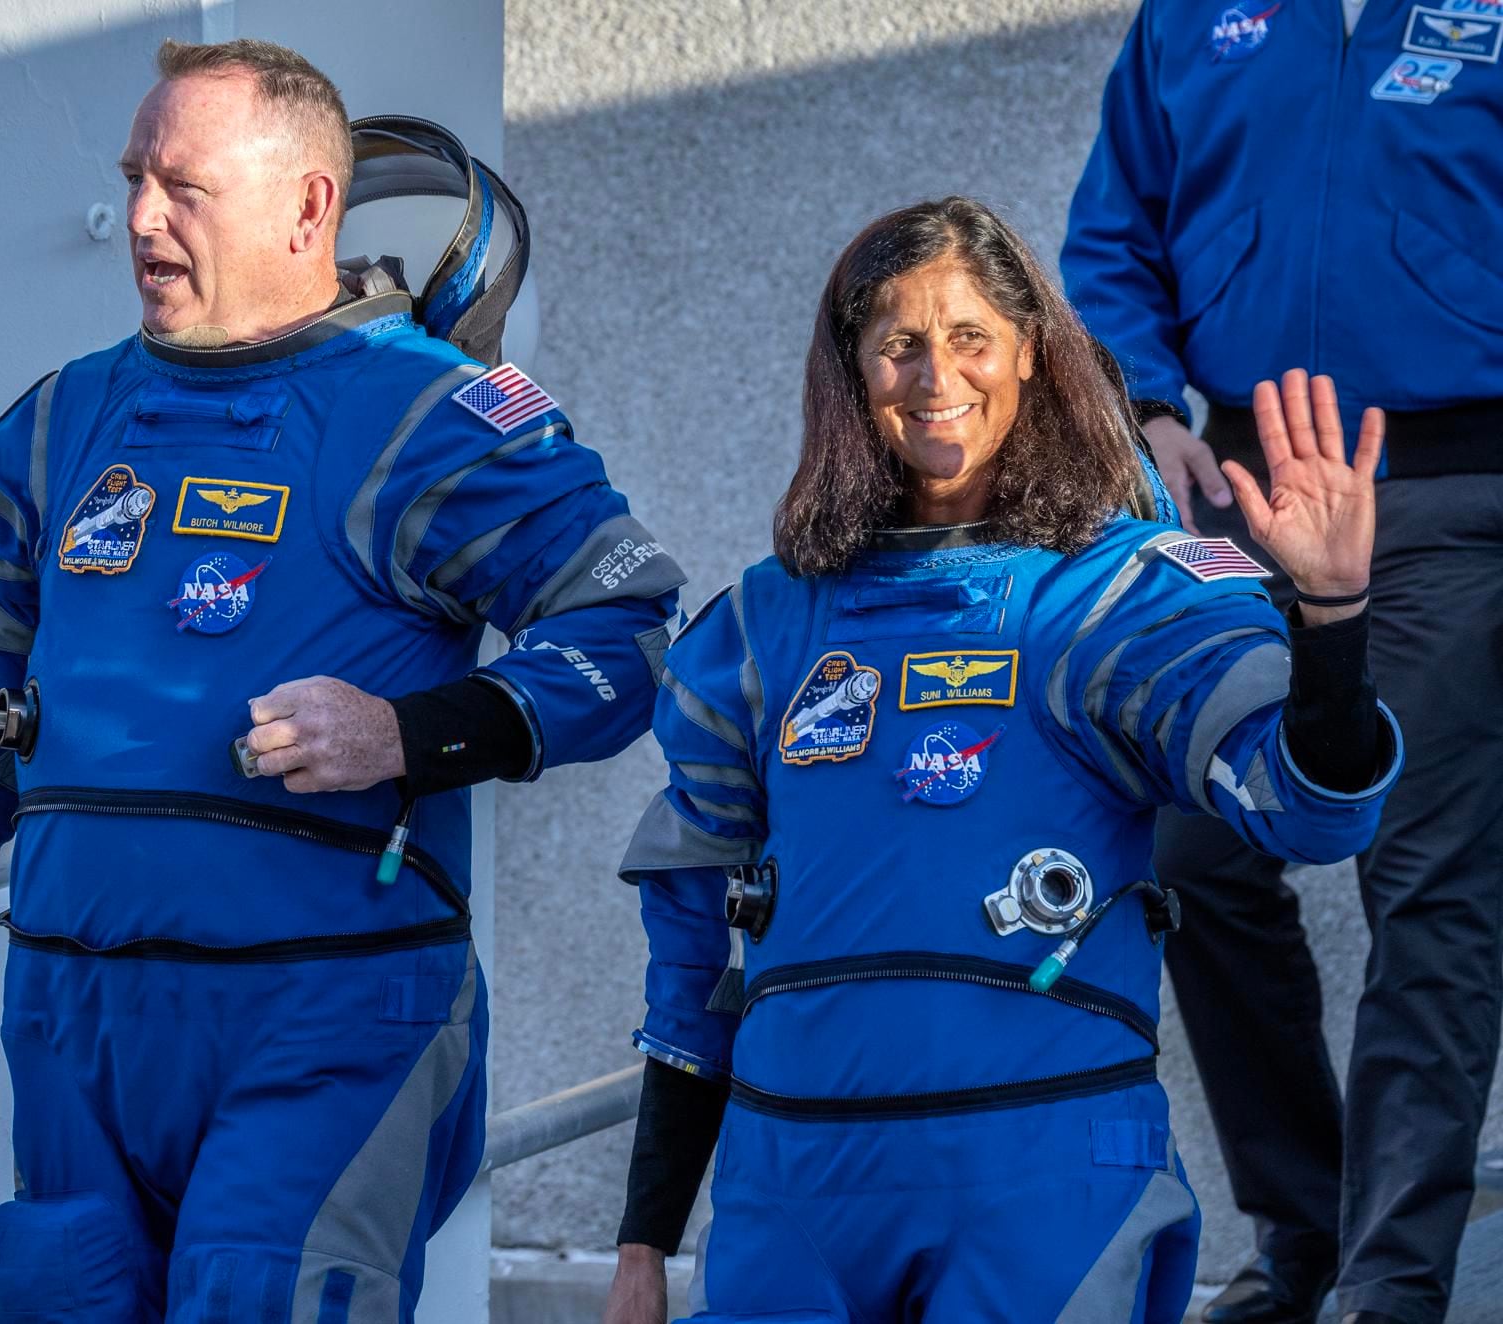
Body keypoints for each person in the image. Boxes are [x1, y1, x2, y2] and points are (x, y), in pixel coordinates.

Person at [0, 38, 685, 1322]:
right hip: (75, 1021)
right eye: (135, 178)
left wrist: (405, 731)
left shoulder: (428, 414)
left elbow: (629, 627)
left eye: (184, 187)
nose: (143, 219)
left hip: (326, 1019)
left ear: (310, 204)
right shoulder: (61, 424)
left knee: (262, 1298)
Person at [600, 197, 1402, 1324]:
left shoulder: (1118, 595)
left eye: (970, 335)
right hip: (794, 1192)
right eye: (900, 342)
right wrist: (644, 1241)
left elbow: (1310, 810)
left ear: (1031, 350)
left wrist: (1332, 613)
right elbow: (693, 961)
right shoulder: (763, 629)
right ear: (852, 370)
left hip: (1043, 1176)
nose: (937, 374)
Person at [1062, 3, 1503, 1319]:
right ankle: (1305, 1232)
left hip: (1449, 490)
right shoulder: (1192, 16)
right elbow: (1113, 233)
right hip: (1238, 492)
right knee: (1199, 861)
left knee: (1425, 890)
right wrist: (1142, 404)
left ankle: (1392, 1284)